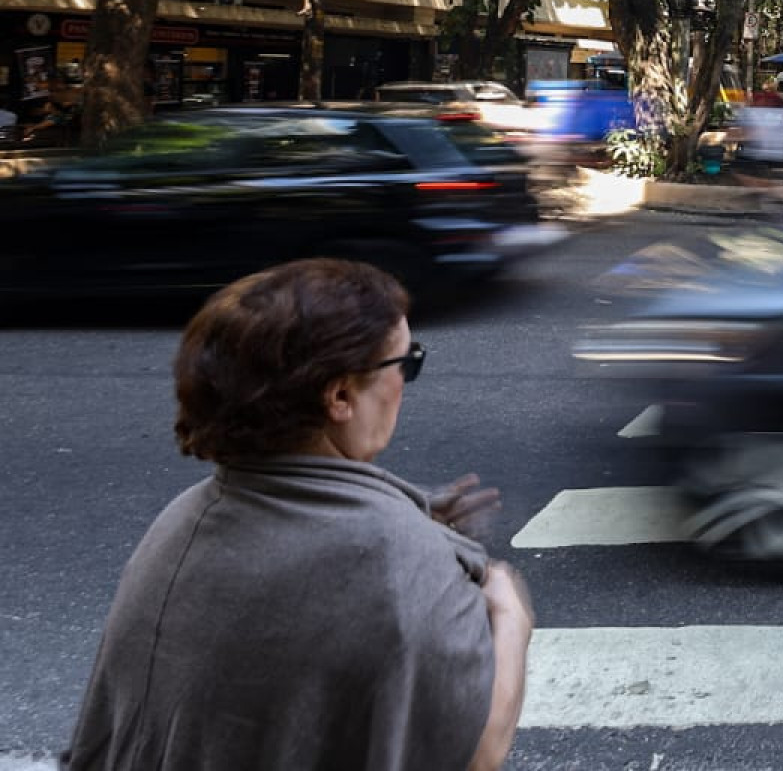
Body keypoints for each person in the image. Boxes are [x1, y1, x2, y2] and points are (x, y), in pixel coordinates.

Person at [67, 259, 534, 771]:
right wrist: (510, 614)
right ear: (339, 395)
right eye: (405, 363)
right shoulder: (398, 561)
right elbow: (477, 752)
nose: (404, 380)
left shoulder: (182, 518)